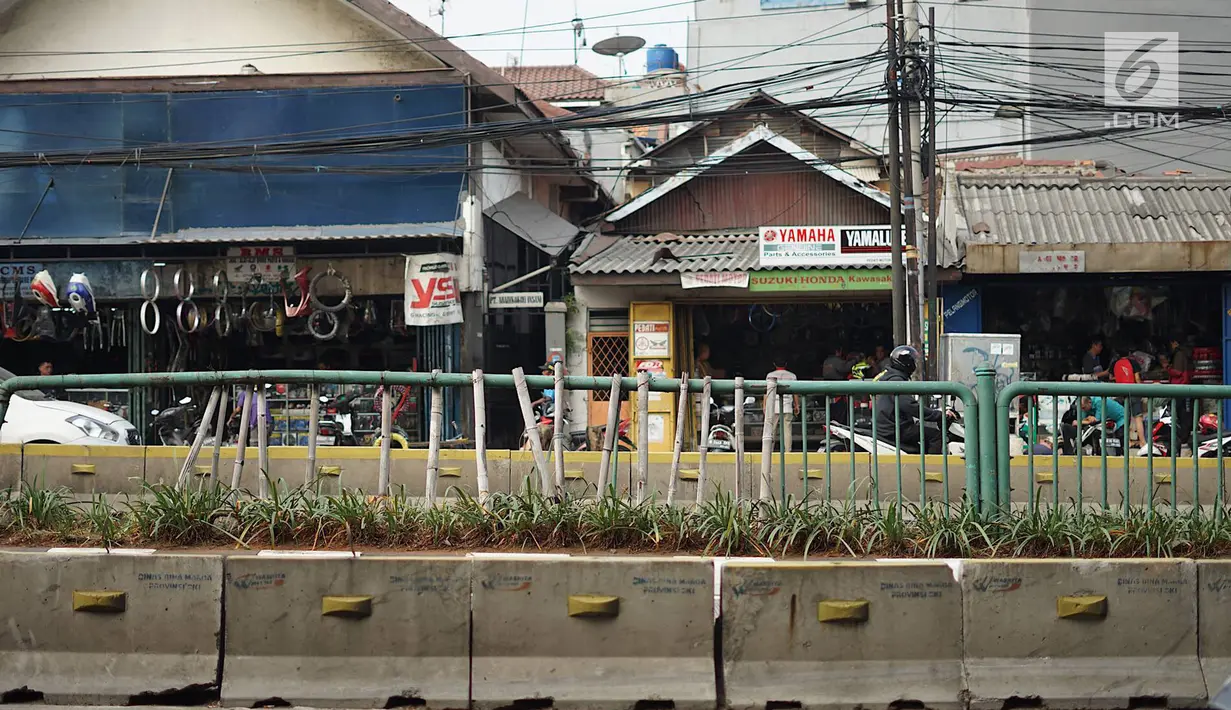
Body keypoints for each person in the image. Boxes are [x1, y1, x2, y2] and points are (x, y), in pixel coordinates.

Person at [872, 345, 952, 454]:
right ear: (907, 363)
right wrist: (938, 415)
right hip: (893, 429)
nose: (915, 364)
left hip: (890, 425)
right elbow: (910, 405)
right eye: (913, 361)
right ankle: (933, 468)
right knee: (936, 436)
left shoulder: (892, 376)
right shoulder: (896, 380)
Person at [1061, 396, 1125, 455]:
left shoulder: (1099, 402)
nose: (1083, 410)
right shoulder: (1084, 407)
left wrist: (1082, 421)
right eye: (1081, 408)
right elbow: (1084, 421)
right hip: (1106, 419)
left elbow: (1096, 421)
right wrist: (1086, 420)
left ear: (1089, 403)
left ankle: (1121, 453)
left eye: (1083, 408)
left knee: (1118, 436)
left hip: (1121, 417)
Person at [1111, 350, 1147, 451]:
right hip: (1133, 392)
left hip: (1120, 393)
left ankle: (1127, 442)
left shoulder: (1114, 364)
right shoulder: (1133, 363)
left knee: (1125, 418)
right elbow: (1137, 378)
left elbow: (1111, 377)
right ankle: (1142, 442)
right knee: (1138, 418)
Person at [765, 358, 799, 454]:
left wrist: (764, 406)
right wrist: (797, 405)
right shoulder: (792, 376)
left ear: (774, 364)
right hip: (787, 406)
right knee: (787, 430)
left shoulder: (770, 376)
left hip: (773, 407)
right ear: (786, 364)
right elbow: (795, 392)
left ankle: (769, 451)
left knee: (771, 430)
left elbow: (766, 393)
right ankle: (788, 451)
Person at [1165, 336, 1195, 447]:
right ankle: (1184, 436)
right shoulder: (1186, 353)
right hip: (1185, 386)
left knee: (1181, 413)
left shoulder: (1179, 354)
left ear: (1175, 342)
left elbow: (1177, 371)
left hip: (1179, 387)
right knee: (1185, 414)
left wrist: (1167, 368)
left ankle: (1182, 438)